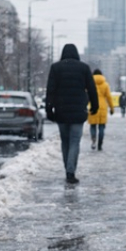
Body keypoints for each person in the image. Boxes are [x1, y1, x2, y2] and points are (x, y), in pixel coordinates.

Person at [45, 44, 99, 183]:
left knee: (65, 141)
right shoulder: (84, 68)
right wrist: (95, 105)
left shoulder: (55, 68)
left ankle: (68, 169)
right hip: (78, 111)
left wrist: (49, 109)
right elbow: (92, 89)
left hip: (61, 110)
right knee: (75, 141)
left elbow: (50, 90)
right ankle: (70, 171)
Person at [88, 69, 114, 151]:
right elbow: (109, 97)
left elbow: (87, 96)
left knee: (92, 125)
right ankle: (100, 143)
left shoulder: (90, 83)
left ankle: (93, 140)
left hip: (92, 105)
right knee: (102, 127)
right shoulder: (105, 84)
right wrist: (112, 108)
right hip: (102, 107)